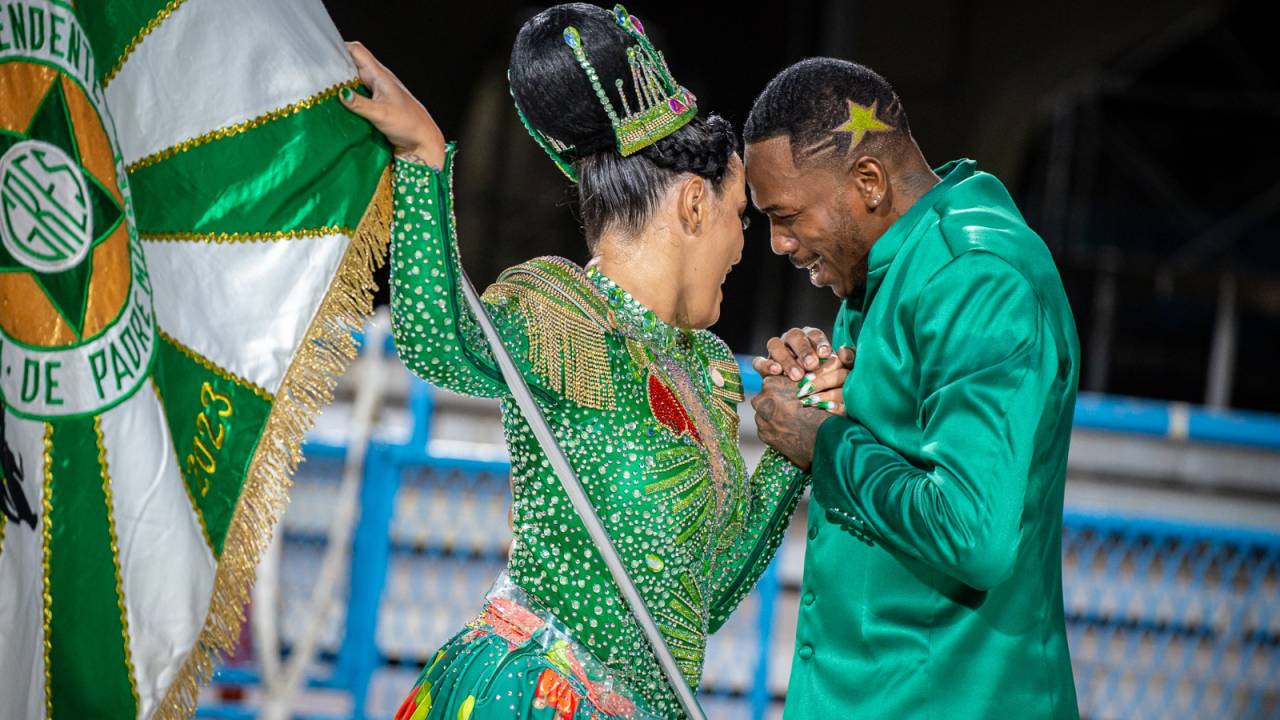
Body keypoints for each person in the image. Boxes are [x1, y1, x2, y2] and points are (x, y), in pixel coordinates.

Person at [340, 6, 849, 719]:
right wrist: (424, 160)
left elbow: (702, 599)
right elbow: (438, 342)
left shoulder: (707, 368)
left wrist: (800, 440)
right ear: (696, 205)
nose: (749, 246)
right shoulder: (563, 311)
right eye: (743, 215)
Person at [743, 58, 1082, 719]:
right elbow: (900, 448)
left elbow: (970, 533)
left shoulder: (978, 277)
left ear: (868, 181)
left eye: (786, 216)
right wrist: (825, 393)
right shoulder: (890, 268)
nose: (779, 243)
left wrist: (827, 445)